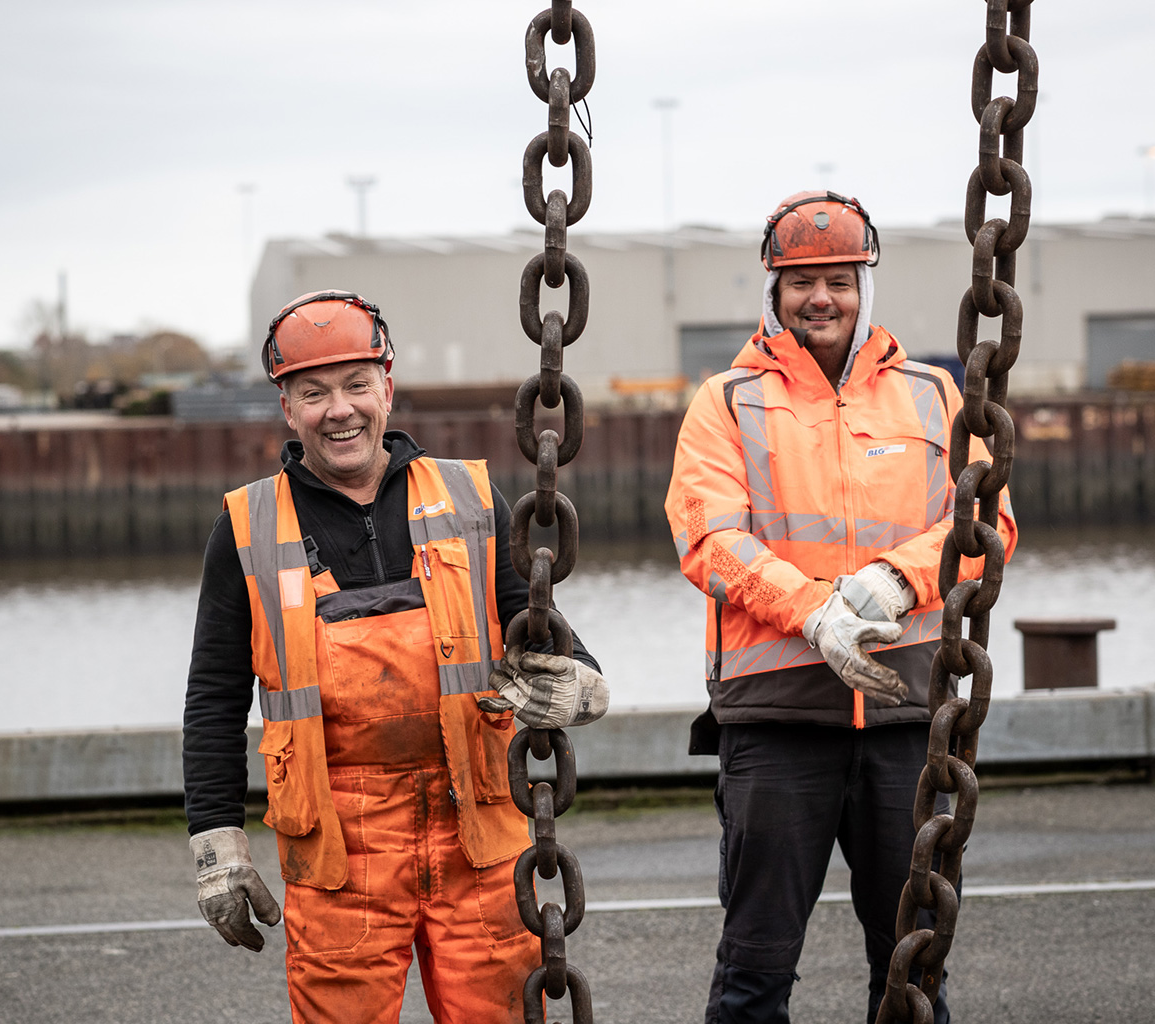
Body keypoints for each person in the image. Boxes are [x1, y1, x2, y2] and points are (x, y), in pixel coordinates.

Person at [182, 290, 608, 1024]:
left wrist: (581, 682)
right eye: (313, 393)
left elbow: (535, 621)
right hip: (340, 847)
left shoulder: (469, 499)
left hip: (477, 826)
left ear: (387, 385)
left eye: (355, 385)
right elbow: (214, 699)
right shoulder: (247, 528)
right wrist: (217, 840)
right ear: (287, 407)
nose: (338, 410)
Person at [665, 192, 1017, 1024]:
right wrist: (816, 612)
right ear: (772, 292)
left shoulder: (935, 398)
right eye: (800, 282)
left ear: (865, 285)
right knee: (754, 968)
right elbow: (709, 538)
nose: (820, 297)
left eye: (838, 279)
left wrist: (899, 579)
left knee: (910, 966)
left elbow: (987, 518)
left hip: (907, 727)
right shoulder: (727, 402)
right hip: (777, 721)